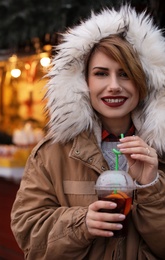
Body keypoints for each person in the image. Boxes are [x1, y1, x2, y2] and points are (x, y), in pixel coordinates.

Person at [11, 5, 165, 260]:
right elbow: (28, 232)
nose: (114, 86)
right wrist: (81, 224)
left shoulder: (160, 152)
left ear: (143, 82)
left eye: (125, 74)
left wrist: (150, 186)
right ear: (84, 82)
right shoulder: (53, 154)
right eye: (101, 74)